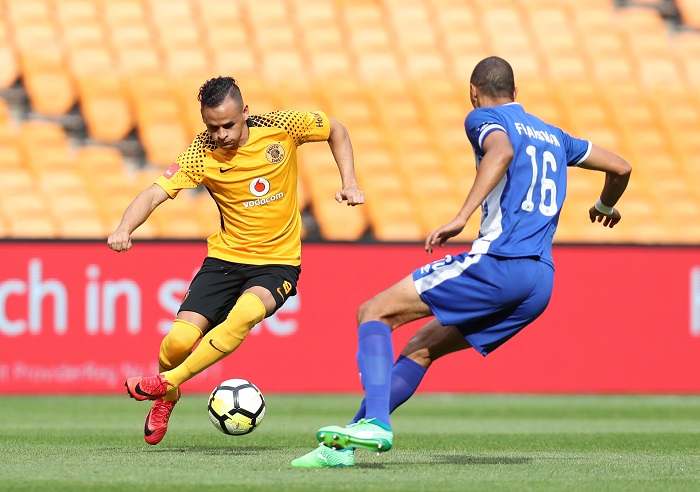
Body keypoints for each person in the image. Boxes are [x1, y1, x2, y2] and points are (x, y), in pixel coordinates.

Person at [291, 56, 631, 468]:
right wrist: (605, 205)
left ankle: (377, 423)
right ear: (516, 93)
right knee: (420, 349)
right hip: (540, 281)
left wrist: (461, 216)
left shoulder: (484, 118)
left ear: (474, 92)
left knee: (373, 312)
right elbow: (620, 166)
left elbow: (501, 150)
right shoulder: (555, 136)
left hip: (499, 262)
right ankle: (341, 450)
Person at [107, 76, 365, 445]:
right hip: (225, 260)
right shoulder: (201, 152)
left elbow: (336, 129)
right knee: (177, 343)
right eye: (212, 127)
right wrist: (124, 228)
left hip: (278, 262)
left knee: (245, 313)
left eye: (228, 125)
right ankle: (167, 397)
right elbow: (154, 193)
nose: (221, 134)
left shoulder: (282, 126)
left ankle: (166, 383)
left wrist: (350, 182)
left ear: (245, 112)